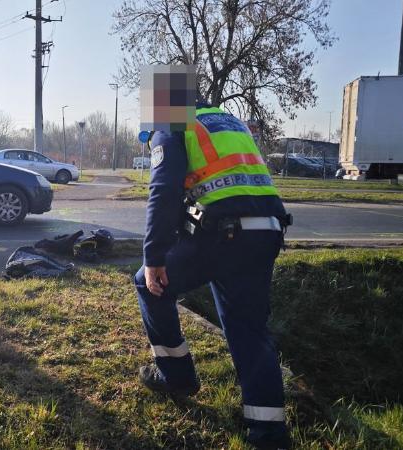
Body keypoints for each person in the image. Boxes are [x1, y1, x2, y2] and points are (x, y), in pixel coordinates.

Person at [135, 70, 292, 449]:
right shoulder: (228, 120)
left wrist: (155, 256)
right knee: (248, 329)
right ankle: (268, 432)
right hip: (267, 231)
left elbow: (163, 190)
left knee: (148, 283)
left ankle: (176, 376)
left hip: (222, 233)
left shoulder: (172, 124)